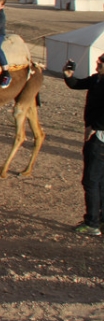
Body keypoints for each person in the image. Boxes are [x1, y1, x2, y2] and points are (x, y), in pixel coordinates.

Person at [64, 54, 104, 236]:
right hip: (96, 135)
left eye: (100, 64)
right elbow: (77, 84)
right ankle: (100, 220)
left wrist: (95, 128)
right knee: (101, 182)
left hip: (99, 139)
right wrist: (68, 76)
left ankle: (92, 223)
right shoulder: (97, 79)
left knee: (90, 181)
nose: (97, 66)